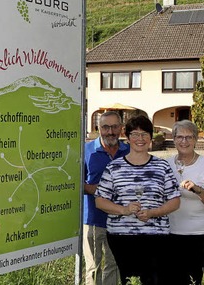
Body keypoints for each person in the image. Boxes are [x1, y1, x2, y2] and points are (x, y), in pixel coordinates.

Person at [95, 115, 180, 285]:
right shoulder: (114, 167)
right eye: (134, 134)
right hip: (122, 237)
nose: (139, 139)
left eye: (144, 134)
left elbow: (175, 201)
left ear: (150, 138)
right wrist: (124, 210)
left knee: (154, 280)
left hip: (156, 237)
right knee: (130, 280)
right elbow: (100, 201)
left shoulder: (162, 166)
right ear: (127, 137)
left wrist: (152, 213)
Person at [166, 120, 204, 285]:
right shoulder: (166, 164)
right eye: (180, 137)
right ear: (174, 139)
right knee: (170, 279)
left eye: (189, 137)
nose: (184, 141)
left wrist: (197, 189)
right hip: (169, 231)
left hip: (197, 233)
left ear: (196, 139)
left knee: (192, 280)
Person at [83, 111, 129, 285]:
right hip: (93, 220)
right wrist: (101, 190)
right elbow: (77, 184)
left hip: (120, 220)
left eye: (114, 127)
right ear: (98, 128)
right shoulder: (86, 150)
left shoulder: (129, 150)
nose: (110, 131)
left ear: (121, 129)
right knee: (93, 268)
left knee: (114, 265)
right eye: (105, 127)